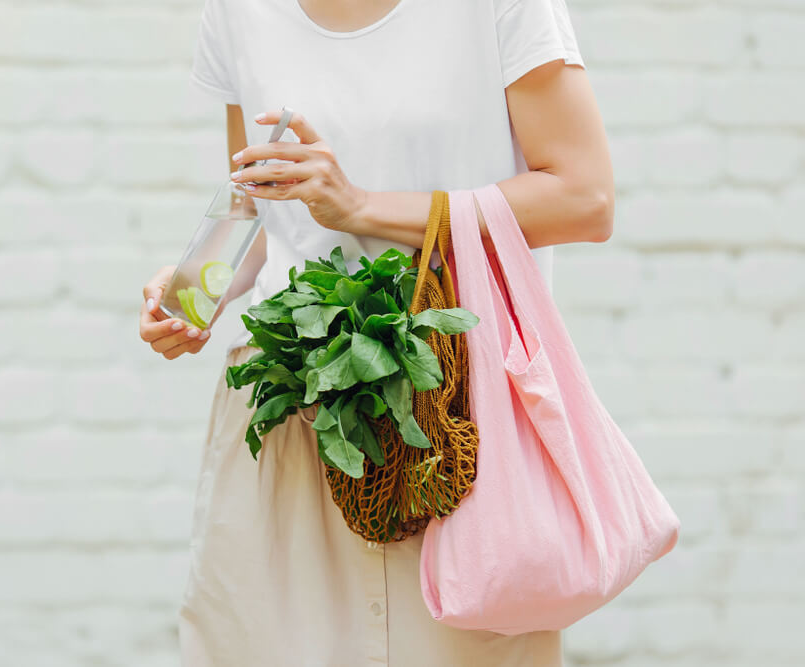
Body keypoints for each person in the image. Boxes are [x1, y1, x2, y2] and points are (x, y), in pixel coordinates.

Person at [140, 0, 614, 664]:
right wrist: (191, 294)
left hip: (449, 418)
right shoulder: (239, 11)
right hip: (292, 405)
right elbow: (258, 196)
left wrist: (362, 206)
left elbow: (584, 196)